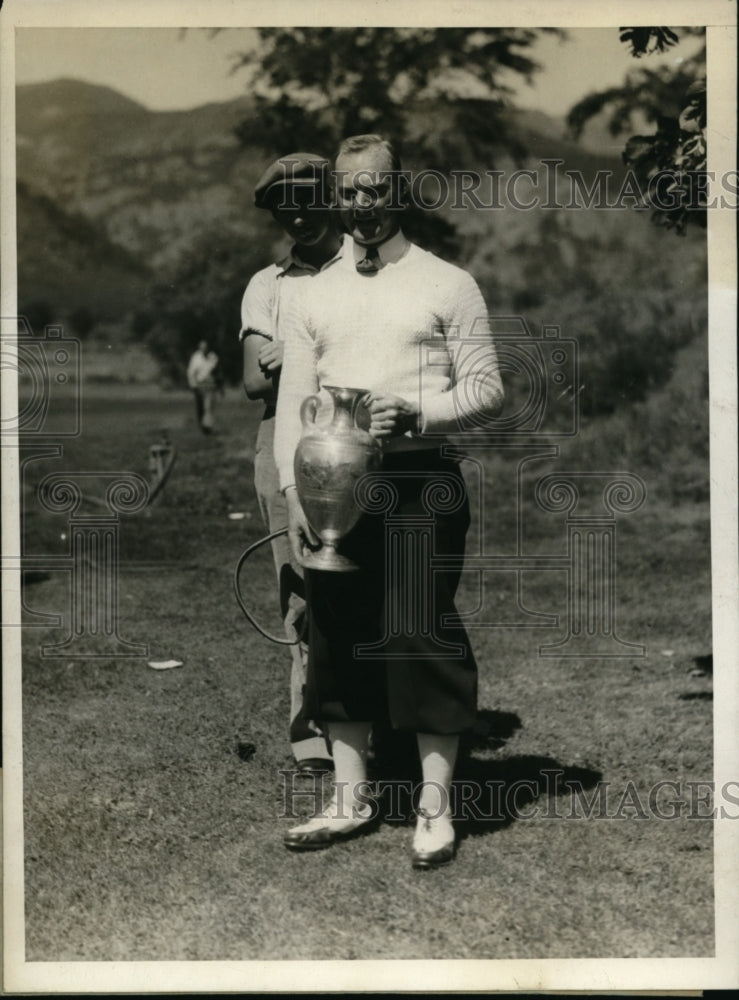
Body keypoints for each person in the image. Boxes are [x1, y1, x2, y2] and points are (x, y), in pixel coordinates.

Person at [274, 135, 504, 868]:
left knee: (418, 634)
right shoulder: (308, 293)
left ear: (399, 191)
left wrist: (418, 414)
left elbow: (487, 389)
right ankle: (350, 799)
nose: (362, 204)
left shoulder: (447, 282)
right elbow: (292, 408)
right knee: (335, 634)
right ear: (334, 197)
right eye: (349, 191)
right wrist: (295, 500)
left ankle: (434, 809)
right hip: (331, 489)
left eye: (376, 190)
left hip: (419, 483)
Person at [240, 153, 344, 773]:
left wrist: (302, 354)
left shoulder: (364, 272)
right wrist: (279, 360)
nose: (300, 216)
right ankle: (310, 728)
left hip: (352, 433)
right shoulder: (268, 284)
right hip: (284, 436)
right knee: (300, 588)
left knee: (366, 583)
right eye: (286, 208)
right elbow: (254, 381)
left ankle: (368, 718)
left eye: (310, 200)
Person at [187, 339, 220, 433]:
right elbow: (191, 372)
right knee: (200, 407)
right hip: (199, 385)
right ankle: (202, 426)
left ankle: (208, 426)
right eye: (202, 348)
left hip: (210, 384)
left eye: (205, 348)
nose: (204, 349)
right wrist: (193, 384)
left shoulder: (213, 357)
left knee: (208, 406)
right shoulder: (196, 357)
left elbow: (215, 371)